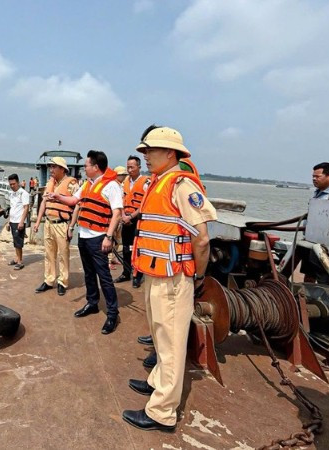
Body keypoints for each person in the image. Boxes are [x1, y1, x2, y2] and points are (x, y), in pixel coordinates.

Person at [122, 125, 216, 433]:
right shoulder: (158, 183)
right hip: (156, 274)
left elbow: (202, 239)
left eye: (150, 151)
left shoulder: (182, 186)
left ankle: (162, 412)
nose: (145, 156)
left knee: (172, 343)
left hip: (174, 278)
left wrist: (199, 276)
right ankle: (157, 383)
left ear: (170, 153)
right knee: (161, 336)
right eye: (145, 151)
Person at [48, 150, 123, 334]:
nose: (84, 168)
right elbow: (74, 200)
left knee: (104, 276)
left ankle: (113, 313)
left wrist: (108, 236)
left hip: (99, 237)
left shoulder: (111, 186)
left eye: (86, 165)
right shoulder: (87, 184)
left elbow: (117, 213)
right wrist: (58, 197)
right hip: (84, 236)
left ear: (95, 167)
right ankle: (92, 303)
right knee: (89, 273)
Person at [33, 157, 79, 295]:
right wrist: (37, 222)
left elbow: (77, 205)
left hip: (62, 223)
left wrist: (71, 227)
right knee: (49, 253)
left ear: (62, 169)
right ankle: (49, 280)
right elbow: (43, 203)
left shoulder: (71, 184)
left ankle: (62, 281)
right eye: (50, 167)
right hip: (48, 222)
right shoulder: (50, 183)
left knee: (63, 254)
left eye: (54, 167)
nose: (51, 170)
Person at [117, 156, 149, 288]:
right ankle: (126, 272)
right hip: (125, 218)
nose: (129, 170)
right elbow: (121, 200)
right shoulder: (125, 182)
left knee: (138, 248)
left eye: (132, 167)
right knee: (126, 247)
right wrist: (124, 215)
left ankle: (137, 275)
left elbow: (145, 204)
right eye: (128, 167)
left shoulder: (146, 182)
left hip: (138, 219)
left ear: (139, 167)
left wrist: (131, 217)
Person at [6, 173, 30, 270]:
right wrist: (8, 222)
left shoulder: (23, 193)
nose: (12, 186)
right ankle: (16, 258)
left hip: (19, 221)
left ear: (18, 182)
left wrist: (21, 222)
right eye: (10, 184)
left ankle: (20, 261)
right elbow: (12, 208)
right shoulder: (12, 194)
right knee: (15, 241)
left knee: (19, 241)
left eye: (14, 184)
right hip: (13, 220)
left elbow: (26, 208)